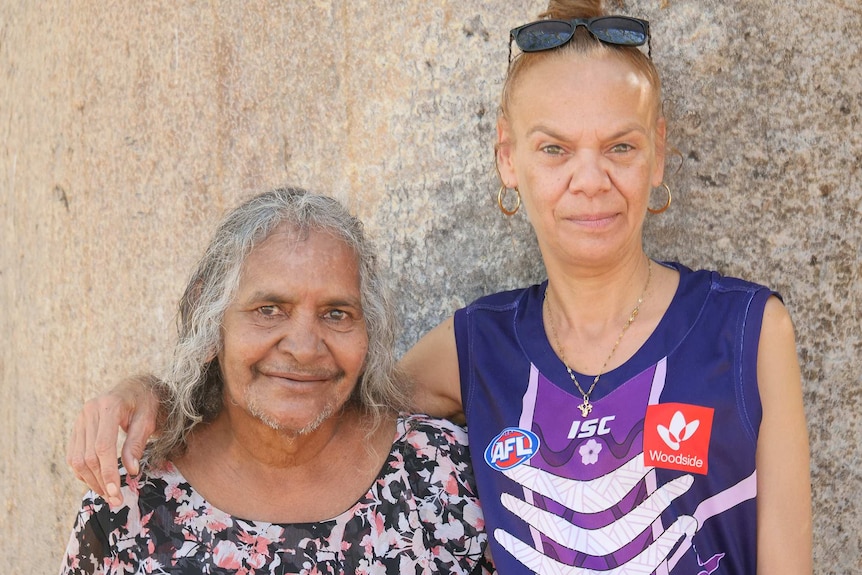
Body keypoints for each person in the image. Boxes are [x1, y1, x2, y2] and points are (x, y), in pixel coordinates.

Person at [67, 1, 813, 573]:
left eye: (621, 145)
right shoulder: (476, 345)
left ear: (658, 158)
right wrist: (155, 394)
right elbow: (309, 388)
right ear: (508, 160)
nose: (591, 179)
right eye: (554, 147)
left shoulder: (745, 328)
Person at [60, 188, 492, 574]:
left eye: (336, 314)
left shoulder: (441, 474)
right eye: (269, 310)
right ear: (212, 322)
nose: (304, 348)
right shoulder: (127, 505)